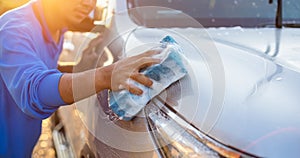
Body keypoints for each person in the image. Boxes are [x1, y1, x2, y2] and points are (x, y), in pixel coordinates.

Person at [0, 0, 160, 157]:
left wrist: (79, 68)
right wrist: (106, 76)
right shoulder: (14, 29)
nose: (88, 3)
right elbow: (33, 92)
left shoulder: (54, 24)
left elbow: (38, 68)